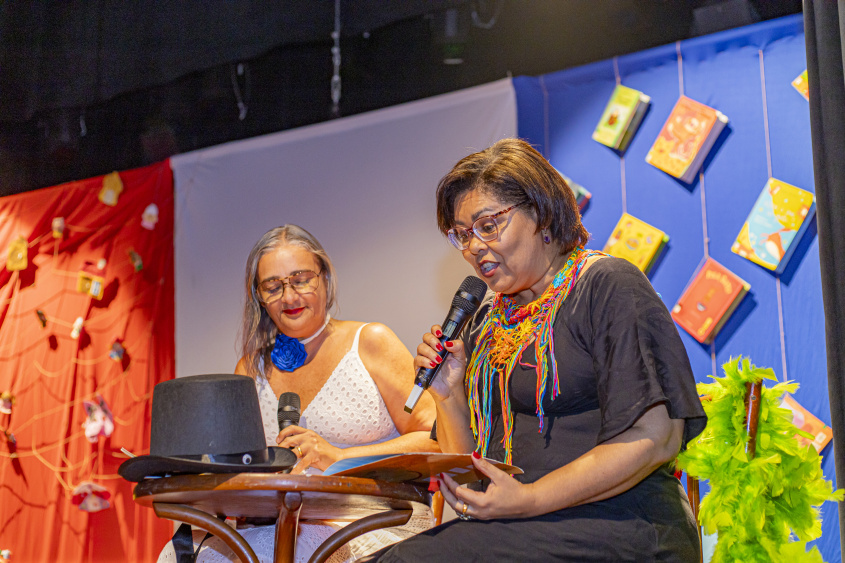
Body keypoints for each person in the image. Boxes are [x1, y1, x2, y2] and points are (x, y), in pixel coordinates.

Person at [365, 138, 707, 562]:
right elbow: (472, 484)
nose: (473, 247)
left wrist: (530, 499)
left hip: (620, 527)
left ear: (542, 214)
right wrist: (448, 394)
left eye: (487, 226)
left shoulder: (607, 285)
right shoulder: (484, 322)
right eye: (461, 235)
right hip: (520, 530)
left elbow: (657, 437)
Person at [159, 224, 438, 563]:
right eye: (273, 286)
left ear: (325, 278)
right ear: (259, 297)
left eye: (301, 279)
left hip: (371, 521)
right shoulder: (249, 368)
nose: (289, 297)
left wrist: (338, 455)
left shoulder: (370, 343)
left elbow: (434, 440)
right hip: (272, 523)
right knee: (179, 554)